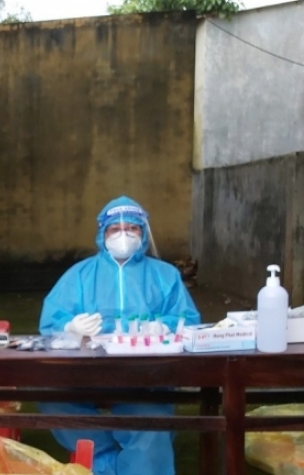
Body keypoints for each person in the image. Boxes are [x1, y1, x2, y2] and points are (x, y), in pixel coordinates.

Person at [37, 195, 201, 475]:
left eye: (132, 228)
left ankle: (133, 465)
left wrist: (165, 326)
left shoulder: (165, 275)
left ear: (143, 233)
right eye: (115, 229)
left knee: (150, 424)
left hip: (146, 376)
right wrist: (70, 327)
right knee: (55, 403)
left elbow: (189, 319)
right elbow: (51, 321)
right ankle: (107, 460)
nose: (123, 235)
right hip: (85, 373)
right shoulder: (80, 275)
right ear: (103, 234)